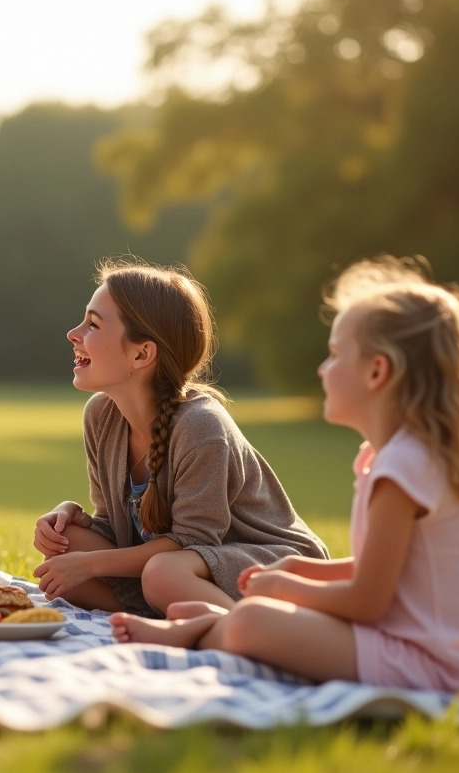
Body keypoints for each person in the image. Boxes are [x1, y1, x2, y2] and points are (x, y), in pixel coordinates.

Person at [112, 257, 459, 696]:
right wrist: (302, 570)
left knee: (254, 619)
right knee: (266, 615)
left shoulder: (402, 467)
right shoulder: (402, 458)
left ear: (378, 371)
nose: (323, 370)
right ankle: (210, 626)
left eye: (336, 355)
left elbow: (368, 599)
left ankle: (200, 634)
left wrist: (289, 588)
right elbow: (389, 571)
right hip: (448, 655)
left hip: (440, 668)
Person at [33, 260, 327, 617]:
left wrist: (91, 565)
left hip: (268, 563)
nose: (73, 333)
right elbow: (118, 529)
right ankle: (157, 616)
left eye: (93, 324)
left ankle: (248, 633)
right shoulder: (101, 415)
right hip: (180, 570)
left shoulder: (201, 427)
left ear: (142, 354)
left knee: (159, 574)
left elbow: (193, 543)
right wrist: (70, 516)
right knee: (68, 547)